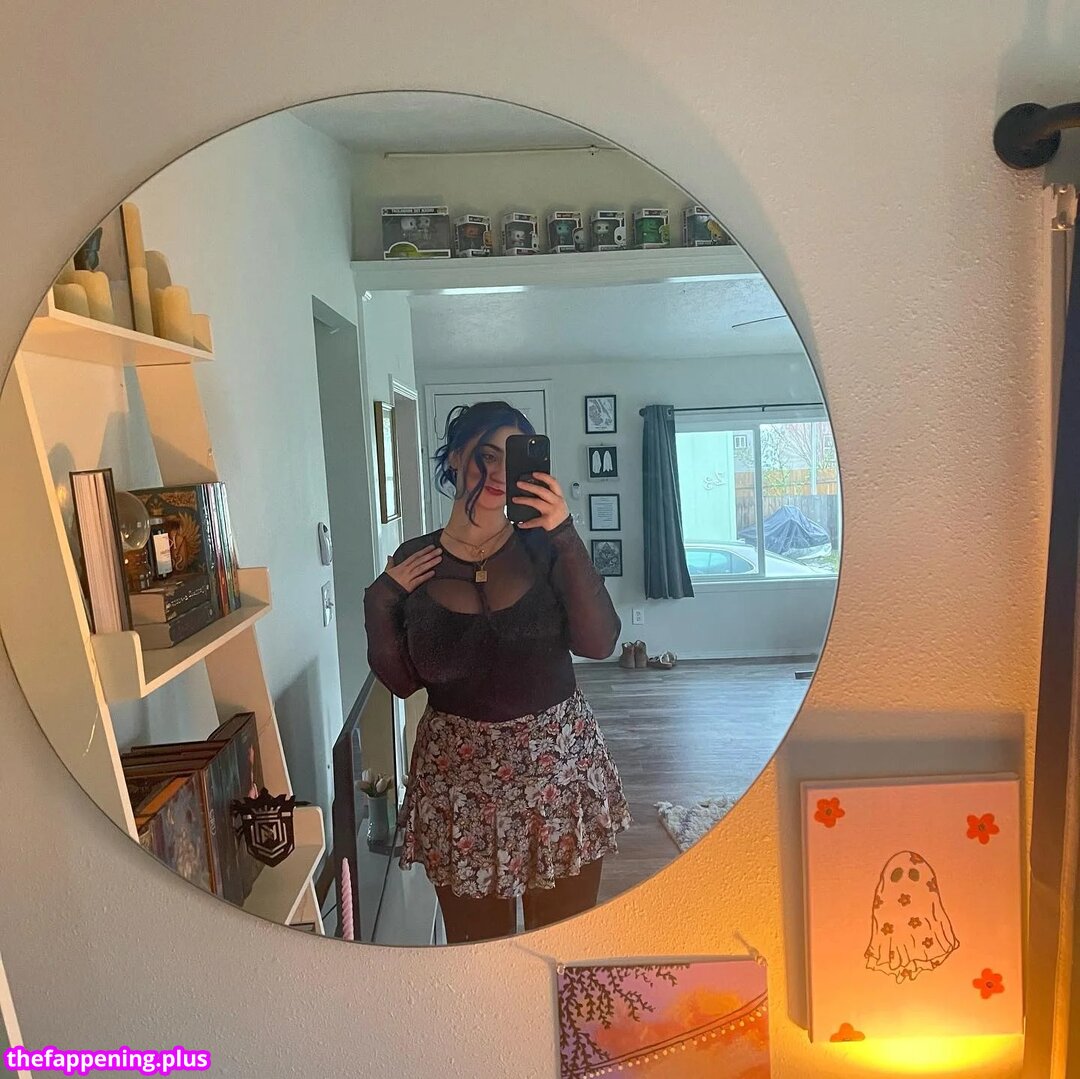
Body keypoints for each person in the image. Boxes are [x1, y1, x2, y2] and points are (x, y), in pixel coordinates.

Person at [363, 401, 630, 943]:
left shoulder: (546, 547)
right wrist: (380, 598)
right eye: (487, 455)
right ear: (455, 457)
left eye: (514, 459)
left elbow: (600, 643)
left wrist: (564, 532)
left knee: (559, 946)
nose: (500, 473)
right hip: (458, 790)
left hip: (557, 777)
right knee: (476, 956)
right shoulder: (414, 560)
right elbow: (402, 682)